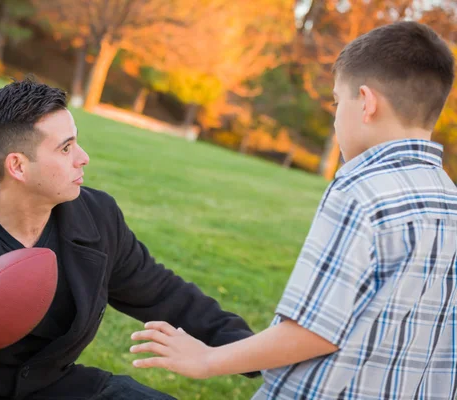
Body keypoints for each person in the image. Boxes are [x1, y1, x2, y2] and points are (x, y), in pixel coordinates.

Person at [0, 77, 257, 400]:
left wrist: (257, 352)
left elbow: (165, 294)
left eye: (76, 141)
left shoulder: (97, 219)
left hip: (55, 388)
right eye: (66, 148)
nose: (83, 157)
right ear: (17, 165)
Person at [130, 21, 457, 400]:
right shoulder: (449, 200)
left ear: (366, 102)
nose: (336, 117)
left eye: (338, 102)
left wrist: (208, 359)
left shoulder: (360, 192)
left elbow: (313, 330)